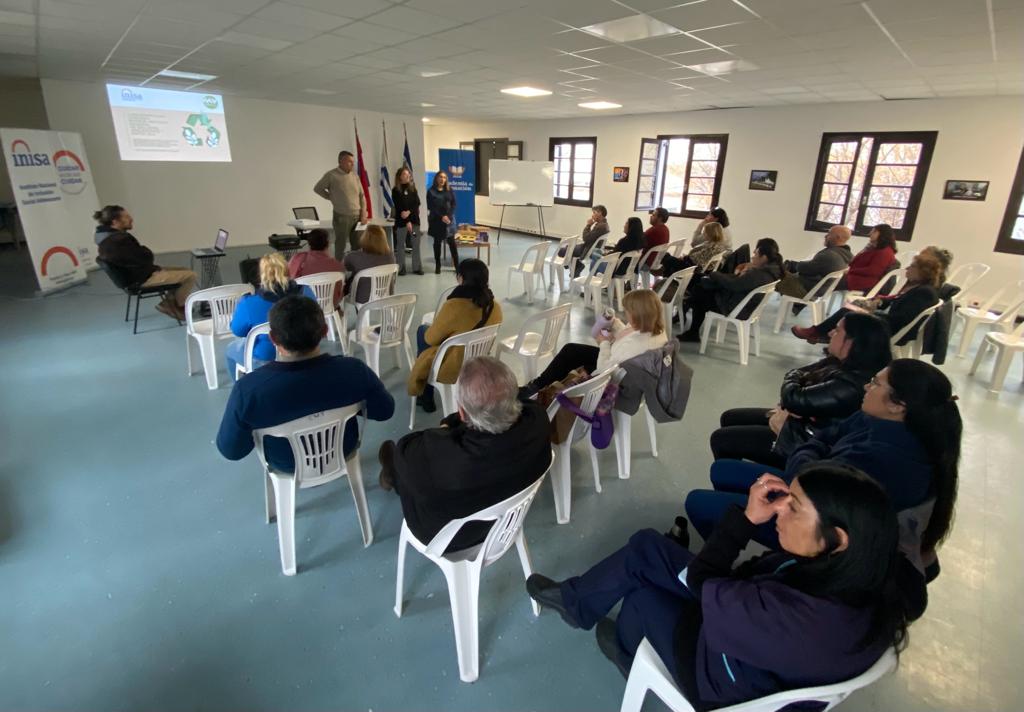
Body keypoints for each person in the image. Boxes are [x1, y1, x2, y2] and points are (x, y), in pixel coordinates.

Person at [526, 463, 914, 710]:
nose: (779, 508)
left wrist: (747, 519)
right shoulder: (862, 573)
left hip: (722, 675)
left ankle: (627, 653)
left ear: (839, 537)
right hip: (753, 646)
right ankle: (576, 602)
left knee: (642, 597)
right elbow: (742, 580)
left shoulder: (798, 619)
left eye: (793, 506)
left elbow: (704, 579)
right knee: (647, 548)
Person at [686, 359, 961, 592]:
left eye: (876, 383)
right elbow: (824, 438)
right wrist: (813, 451)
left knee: (699, 502)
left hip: (819, 527)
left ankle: (719, 568)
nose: (867, 386)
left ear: (898, 405)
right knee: (721, 470)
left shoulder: (889, 459)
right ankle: (727, 542)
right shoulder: (875, 418)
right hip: (809, 497)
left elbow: (803, 476)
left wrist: (808, 450)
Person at [378, 356, 551, 552]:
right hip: (506, 526)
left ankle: (391, 474)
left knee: (404, 467)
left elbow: (406, 448)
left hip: (448, 538)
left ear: (461, 412)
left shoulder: (447, 459)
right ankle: (391, 472)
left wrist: (444, 429)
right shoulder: (538, 419)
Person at [216, 295, 394, 471]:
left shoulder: (249, 390)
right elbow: (384, 411)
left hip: (286, 464)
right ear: (324, 331)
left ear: (273, 338)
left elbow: (232, 451)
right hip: (343, 450)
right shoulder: (354, 370)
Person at [710, 312, 892, 467]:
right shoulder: (843, 362)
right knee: (730, 417)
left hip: (804, 443)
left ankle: (745, 483)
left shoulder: (852, 385)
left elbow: (793, 398)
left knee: (721, 439)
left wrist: (793, 382)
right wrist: (796, 390)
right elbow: (799, 387)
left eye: (837, 330)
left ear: (852, 342)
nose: (830, 333)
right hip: (804, 425)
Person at [521, 289, 668, 394]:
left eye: (627, 312)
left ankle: (536, 387)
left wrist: (603, 342)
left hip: (613, 377)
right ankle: (541, 384)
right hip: (621, 364)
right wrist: (615, 324)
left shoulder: (634, 346)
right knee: (572, 350)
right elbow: (628, 334)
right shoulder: (655, 328)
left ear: (637, 315)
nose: (626, 314)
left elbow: (604, 369)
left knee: (571, 355)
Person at [408, 258, 501, 411]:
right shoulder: (494, 307)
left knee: (422, 331)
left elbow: (430, 339)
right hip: (479, 358)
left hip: (455, 363)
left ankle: (426, 395)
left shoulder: (454, 306)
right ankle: (425, 395)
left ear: (461, 278)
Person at [792, 251, 942, 345]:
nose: (908, 268)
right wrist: (881, 300)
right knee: (853, 307)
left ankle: (820, 333)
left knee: (850, 313)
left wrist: (872, 313)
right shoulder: (919, 288)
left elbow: (900, 319)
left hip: (891, 330)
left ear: (923, 272)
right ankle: (825, 335)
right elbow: (897, 300)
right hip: (889, 323)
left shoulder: (924, 293)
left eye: (912, 266)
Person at [94, 205, 197, 320]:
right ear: (115, 222)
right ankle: (178, 306)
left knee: (183, 270)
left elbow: (137, 260)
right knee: (190, 275)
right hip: (141, 279)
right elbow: (144, 258)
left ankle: (169, 303)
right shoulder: (118, 241)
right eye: (126, 217)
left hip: (137, 275)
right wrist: (151, 263)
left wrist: (151, 264)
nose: (131, 219)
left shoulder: (106, 239)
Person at [225, 253, 315, 380]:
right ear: (287, 270)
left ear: (261, 275)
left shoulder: (249, 302)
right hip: (305, 352)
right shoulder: (306, 292)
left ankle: (242, 385)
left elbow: (238, 331)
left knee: (230, 349)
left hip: (266, 357)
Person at [678, 237, 784, 342]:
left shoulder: (758, 274)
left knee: (700, 291)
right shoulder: (771, 272)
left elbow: (734, 284)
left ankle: (691, 327)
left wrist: (715, 274)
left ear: (764, 257)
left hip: (734, 307)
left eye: (755, 254)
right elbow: (738, 281)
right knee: (702, 285)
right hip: (743, 305)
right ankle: (689, 321)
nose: (753, 257)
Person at [313, 150, 367, 259]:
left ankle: (355, 267)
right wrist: (331, 197)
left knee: (357, 245)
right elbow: (318, 188)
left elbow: (362, 196)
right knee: (340, 245)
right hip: (342, 217)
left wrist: (363, 214)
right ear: (341, 161)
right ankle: (338, 267)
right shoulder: (331, 175)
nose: (352, 164)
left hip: (357, 217)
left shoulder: (355, 176)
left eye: (353, 162)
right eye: (350, 162)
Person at [778, 225, 853, 299]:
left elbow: (801, 268)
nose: (825, 236)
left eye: (829, 233)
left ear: (838, 237)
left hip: (806, 289)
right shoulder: (847, 255)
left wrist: (801, 264)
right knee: (786, 266)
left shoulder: (830, 255)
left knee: (774, 271)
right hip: (820, 289)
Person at [287, 228, 344, 307]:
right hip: (329, 307)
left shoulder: (298, 259)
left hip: (303, 306)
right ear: (328, 244)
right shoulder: (338, 266)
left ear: (309, 244)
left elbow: (288, 279)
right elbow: (339, 294)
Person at [656, 222, 729, 280]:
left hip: (693, 269)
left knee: (667, 258)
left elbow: (698, 260)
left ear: (710, 233)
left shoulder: (712, 246)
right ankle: (666, 277)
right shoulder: (717, 244)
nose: (703, 234)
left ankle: (664, 277)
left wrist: (685, 258)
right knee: (668, 258)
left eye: (705, 232)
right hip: (695, 266)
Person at [342, 224, 394, 303]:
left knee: (347, 276)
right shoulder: (391, 257)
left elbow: (345, 266)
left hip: (362, 298)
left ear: (365, 238)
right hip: (385, 296)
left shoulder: (354, 257)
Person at [839, 223, 897, 292]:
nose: (870, 233)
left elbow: (873, 271)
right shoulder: (874, 249)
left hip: (865, 282)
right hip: (857, 278)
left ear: (882, 234)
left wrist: (850, 271)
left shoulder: (885, 252)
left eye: (874, 231)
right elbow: (852, 262)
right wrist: (866, 249)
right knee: (833, 279)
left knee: (831, 281)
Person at [391, 166, 422, 275]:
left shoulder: (413, 189)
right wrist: (407, 221)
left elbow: (417, 203)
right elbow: (400, 206)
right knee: (400, 245)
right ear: (400, 177)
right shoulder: (396, 190)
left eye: (408, 173)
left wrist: (409, 212)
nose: (408, 175)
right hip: (402, 224)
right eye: (405, 174)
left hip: (414, 224)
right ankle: (401, 268)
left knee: (415, 243)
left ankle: (417, 267)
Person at [426, 170, 457, 274]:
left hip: (449, 220)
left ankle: (457, 265)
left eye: (444, 177)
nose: (442, 179)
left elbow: (453, 204)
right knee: (437, 243)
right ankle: (438, 265)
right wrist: (441, 217)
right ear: (436, 178)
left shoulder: (449, 190)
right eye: (440, 177)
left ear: (446, 179)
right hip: (436, 220)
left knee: (452, 243)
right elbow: (431, 207)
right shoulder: (431, 191)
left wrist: (448, 216)